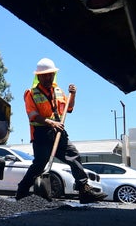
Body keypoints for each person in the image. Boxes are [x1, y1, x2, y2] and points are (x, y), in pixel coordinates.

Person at [15, 58, 107, 204]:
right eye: (44, 75)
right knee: (40, 163)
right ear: (38, 76)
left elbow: (68, 109)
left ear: (54, 75)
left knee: (73, 155)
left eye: (50, 74)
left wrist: (73, 95)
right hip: (42, 133)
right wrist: (51, 123)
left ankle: (84, 190)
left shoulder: (59, 91)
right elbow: (33, 115)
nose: (48, 77)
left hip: (59, 132)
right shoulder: (31, 93)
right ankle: (22, 192)